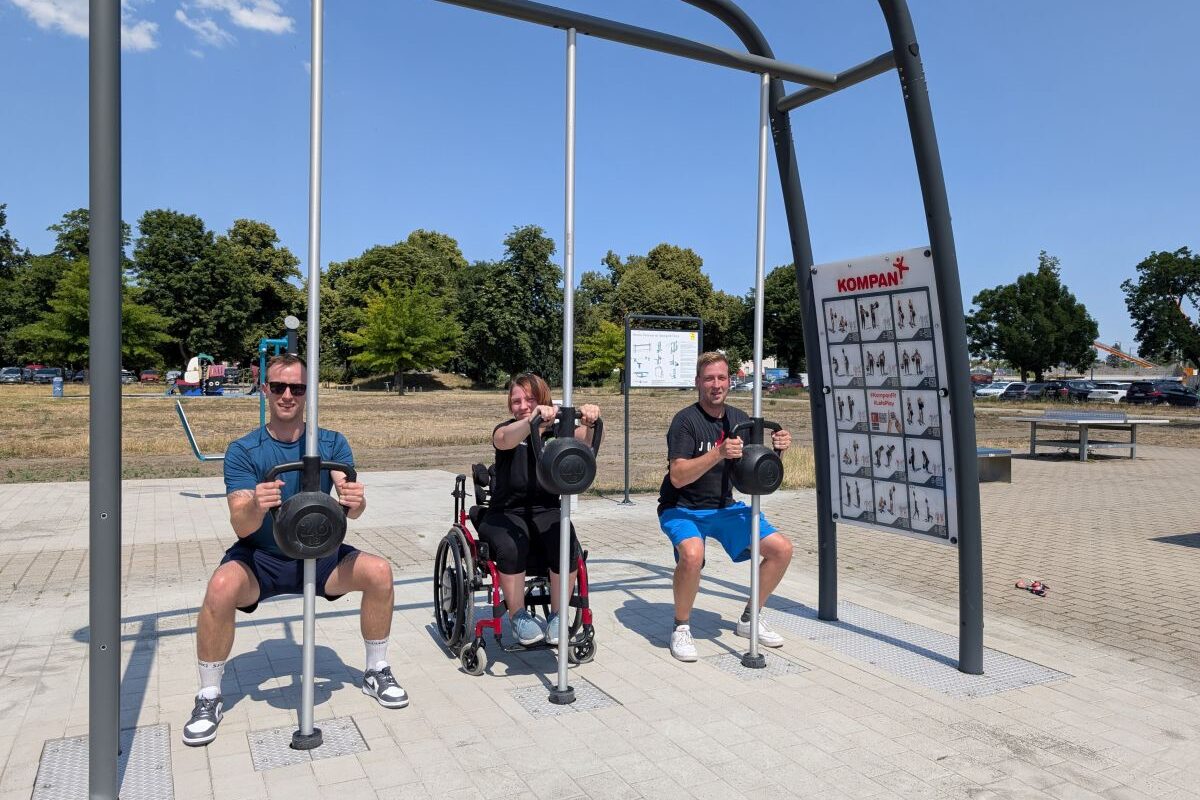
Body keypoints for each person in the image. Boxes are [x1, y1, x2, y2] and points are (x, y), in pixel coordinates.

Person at [182, 354, 406, 747]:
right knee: (220, 587)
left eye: (298, 388)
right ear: (265, 389)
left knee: (379, 572)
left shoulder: (331, 442)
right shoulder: (244, 451)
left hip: (320, 556)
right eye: (280, 387)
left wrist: (354, 499)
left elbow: (352, 508)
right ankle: (209, 696)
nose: (288, 395)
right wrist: (256, 504)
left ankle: (377, 669)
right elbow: (240, 523)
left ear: (308, 393)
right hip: (263, 558)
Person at [657, 352, 795, 662]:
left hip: (725, 507)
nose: (716, 385)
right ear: (697, 383)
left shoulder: (740, 419)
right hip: (682, 507)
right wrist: (718, 453)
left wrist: (777, 452)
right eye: (709, 379)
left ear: (730, 381)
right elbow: (677, 477)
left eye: (721, 378)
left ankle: (750, 618)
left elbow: (753, 477)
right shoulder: (685, 421)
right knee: (692, 555)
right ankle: (681, 627)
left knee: (781, 549)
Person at [478, 372, 601, 647]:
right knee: (511, 545)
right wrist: (532, 420)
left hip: (545, 509)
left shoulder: (559, 434)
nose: (522, 405)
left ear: (544, 399)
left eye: (529, 399)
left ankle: (558, 616)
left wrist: (590, 420)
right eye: (516, 400)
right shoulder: (506, 430)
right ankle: (518, 616)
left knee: (565, 539)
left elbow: (585, 441)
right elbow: (505, 439)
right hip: (505, 513)